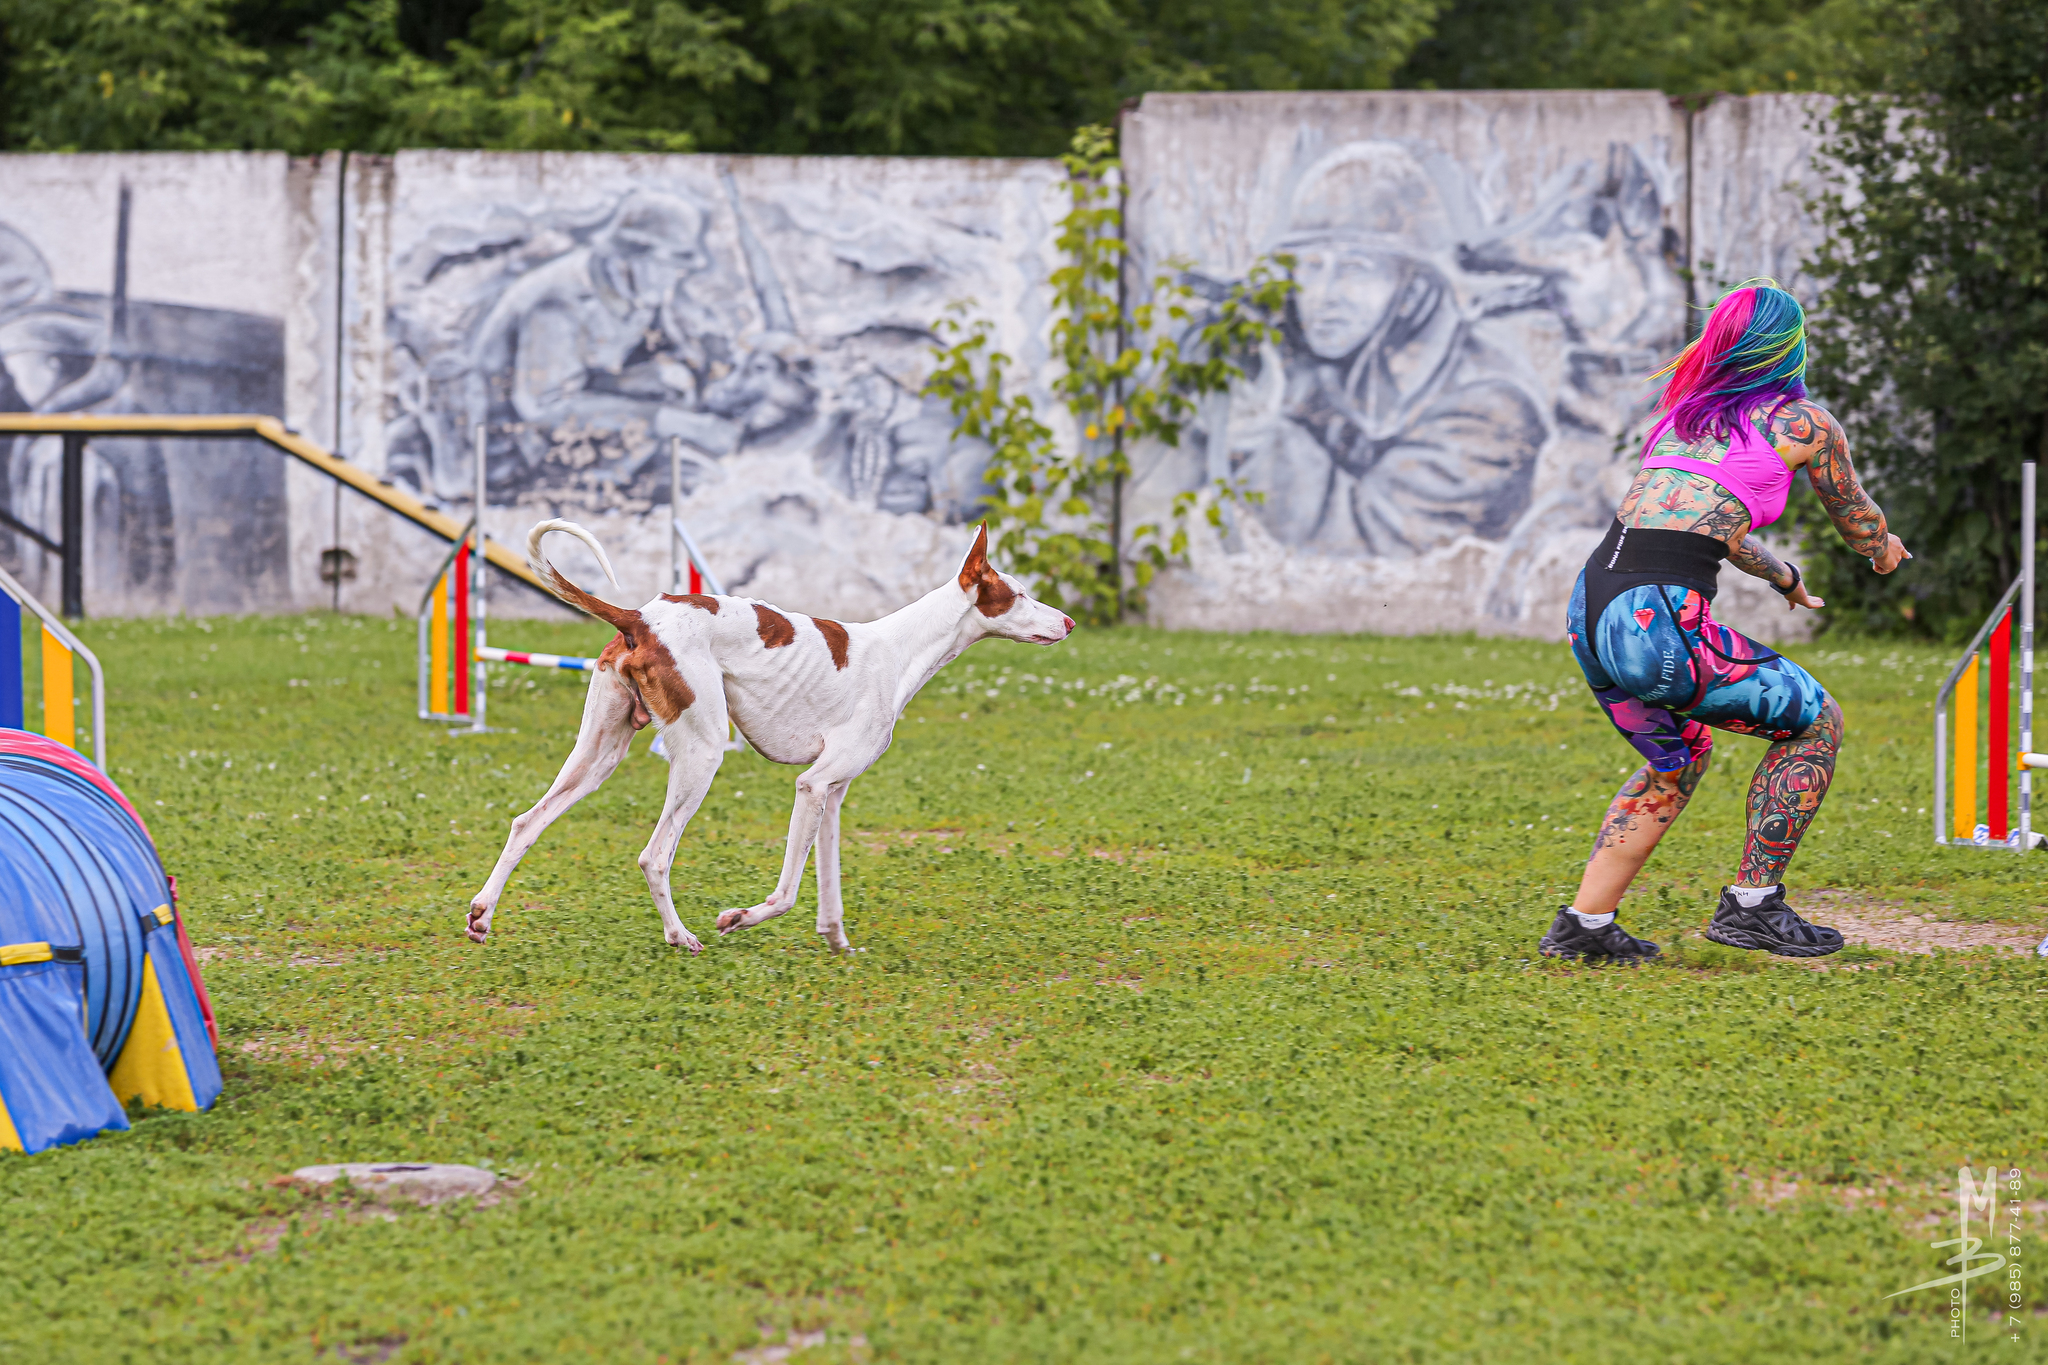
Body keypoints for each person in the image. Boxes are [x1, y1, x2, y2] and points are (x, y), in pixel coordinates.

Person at [1538, 281, 1910, 963]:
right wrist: (1881, 548)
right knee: (1815, 720)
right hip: (1654, 622)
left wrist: (1783, 577)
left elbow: (1718, 527)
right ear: (1789, 346)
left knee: (1674, 760)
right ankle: (1753, 905)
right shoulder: (1804, 424)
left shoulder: (1689, 420)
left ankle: (1583, 926)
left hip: (1592, 605)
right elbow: (1854, 512)